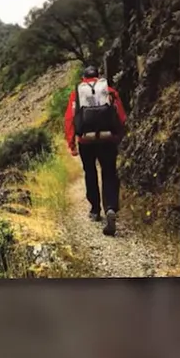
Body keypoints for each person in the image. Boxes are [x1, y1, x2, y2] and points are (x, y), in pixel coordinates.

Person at [64, 65, 128, 236]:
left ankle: (94, 209)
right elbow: (120, 116)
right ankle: (110, 208)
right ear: (98, 76)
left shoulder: (77, 93)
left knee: (90, 172)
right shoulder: (109, 90)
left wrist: (71, 144)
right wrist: (119, 135)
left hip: (86, 140)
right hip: (108, 139)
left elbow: (69, 119)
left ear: (83, 78)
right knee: (109, 172)